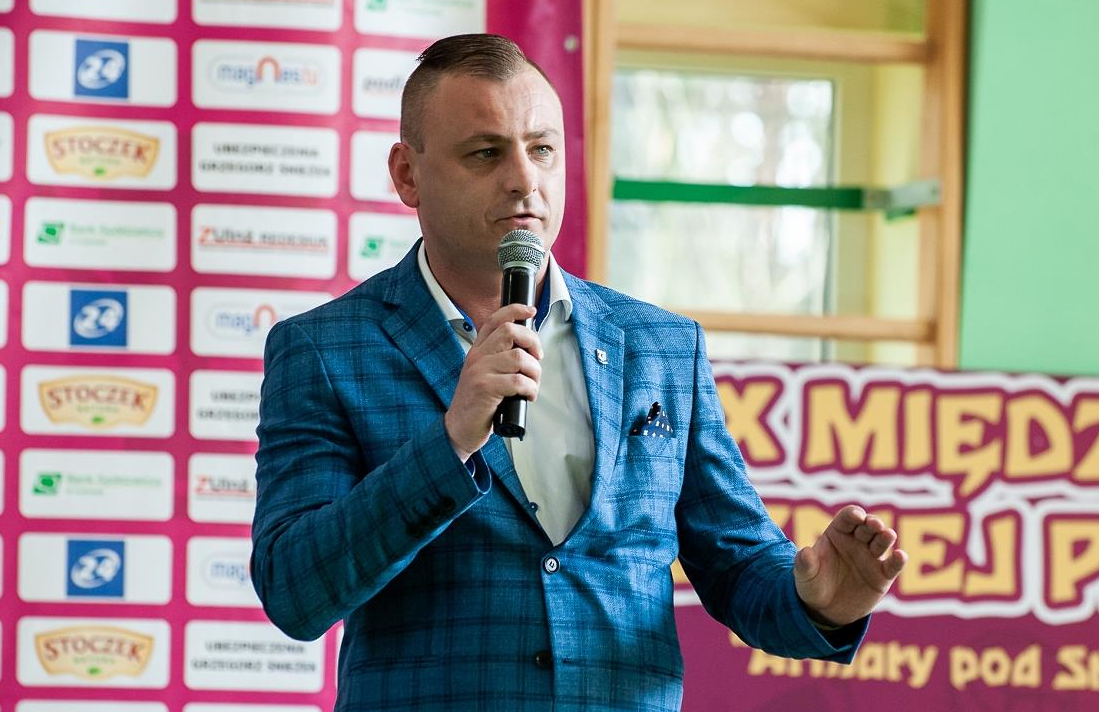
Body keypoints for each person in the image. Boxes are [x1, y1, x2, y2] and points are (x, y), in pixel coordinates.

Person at [251, 33, 907, 712]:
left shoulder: (661, 346)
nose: (524, 180)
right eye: (485, 153)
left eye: (541, 149)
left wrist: (819, 602)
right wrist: (450, 443)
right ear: (407, 174)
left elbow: (738, 564)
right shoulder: (324, 350)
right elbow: (295, 592)